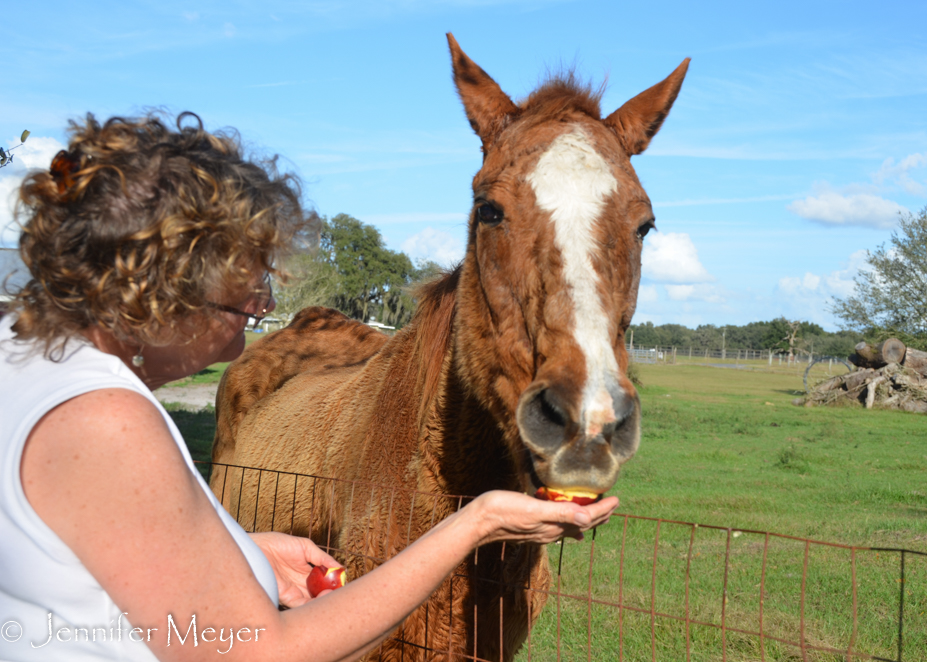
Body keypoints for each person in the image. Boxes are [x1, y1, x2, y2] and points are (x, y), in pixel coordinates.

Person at [0, 112, 618, 661]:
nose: (266, 298)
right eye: (250, 272)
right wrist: (474, 524)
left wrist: (243, 554)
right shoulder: (105, 418)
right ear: (170, 279)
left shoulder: (26, 362)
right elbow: (263, 654)